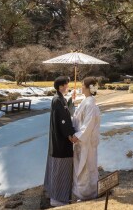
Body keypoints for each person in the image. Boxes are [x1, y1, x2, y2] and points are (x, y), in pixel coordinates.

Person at [44, 76, 79, 207]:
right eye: (66, 85)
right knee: (61, 168)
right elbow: (63, 119)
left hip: (58, 139)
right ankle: (58, 198)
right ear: (60, 87)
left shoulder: (59, 99)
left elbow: (66, 111)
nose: (68, 87)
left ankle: (57, 195)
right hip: (61, 140)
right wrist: (70, 134)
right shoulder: (58, 100)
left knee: (58, 167)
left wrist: (71, 99)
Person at [71, 76, 102, 201]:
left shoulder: (90, 103)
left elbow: (88, 124)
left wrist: (77, 136)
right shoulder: (86, 101)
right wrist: (71, 102)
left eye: (83, 85)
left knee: (86, 167)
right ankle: (82, 192)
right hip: (82, 141)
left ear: (89, 88)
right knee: (82, 167)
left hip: (86, 141)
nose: (81, 87)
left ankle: (88, 193)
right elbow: (77, 118)